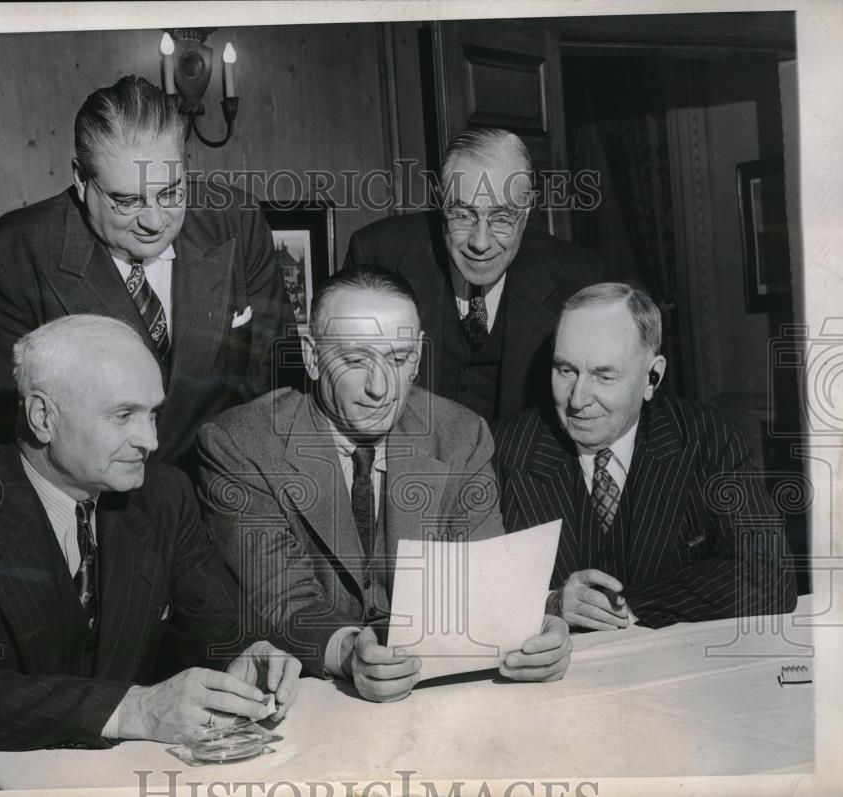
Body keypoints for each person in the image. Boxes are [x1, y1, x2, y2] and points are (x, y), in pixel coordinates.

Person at [0, 315, 300, 757]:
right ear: (43, 417)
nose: (151, 441)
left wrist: (252, 656)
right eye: (124, 415)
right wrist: (135, 708)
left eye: (153, 414)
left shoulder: (163, 495)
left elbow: (221, 631)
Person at [196, 265, 571, 703]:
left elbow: (481, 583)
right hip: (307, 699)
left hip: (437, 695)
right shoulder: (240, 444)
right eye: (355, 360)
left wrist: (536, 628)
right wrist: (350, 652)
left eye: (397, 359)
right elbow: (282, 599)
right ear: (313, 357)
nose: (381, 389)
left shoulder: (460, 435)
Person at [0, 76, 293, 472]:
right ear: (81, 179)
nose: (155, 221)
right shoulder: (10, 255)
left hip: (222, 491)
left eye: (171, 192)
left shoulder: (236, 223)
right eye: (127, 201)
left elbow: (277, 385)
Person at [495, 283, 797, 630]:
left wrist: (626, 607)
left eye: (604, 375)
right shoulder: (504, 448)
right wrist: (552, 603)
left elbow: (770, 578)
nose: (577, 399)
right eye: (566, 370)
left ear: (652, 377)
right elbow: (467, 593)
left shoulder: (708, 439)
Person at [346, 127, 602, 423]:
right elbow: (349, 391)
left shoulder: (576, 279)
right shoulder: (379, 255)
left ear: (528, 208)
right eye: (462, 215)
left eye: (502, 218)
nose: (480, 243)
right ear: (441, 204)